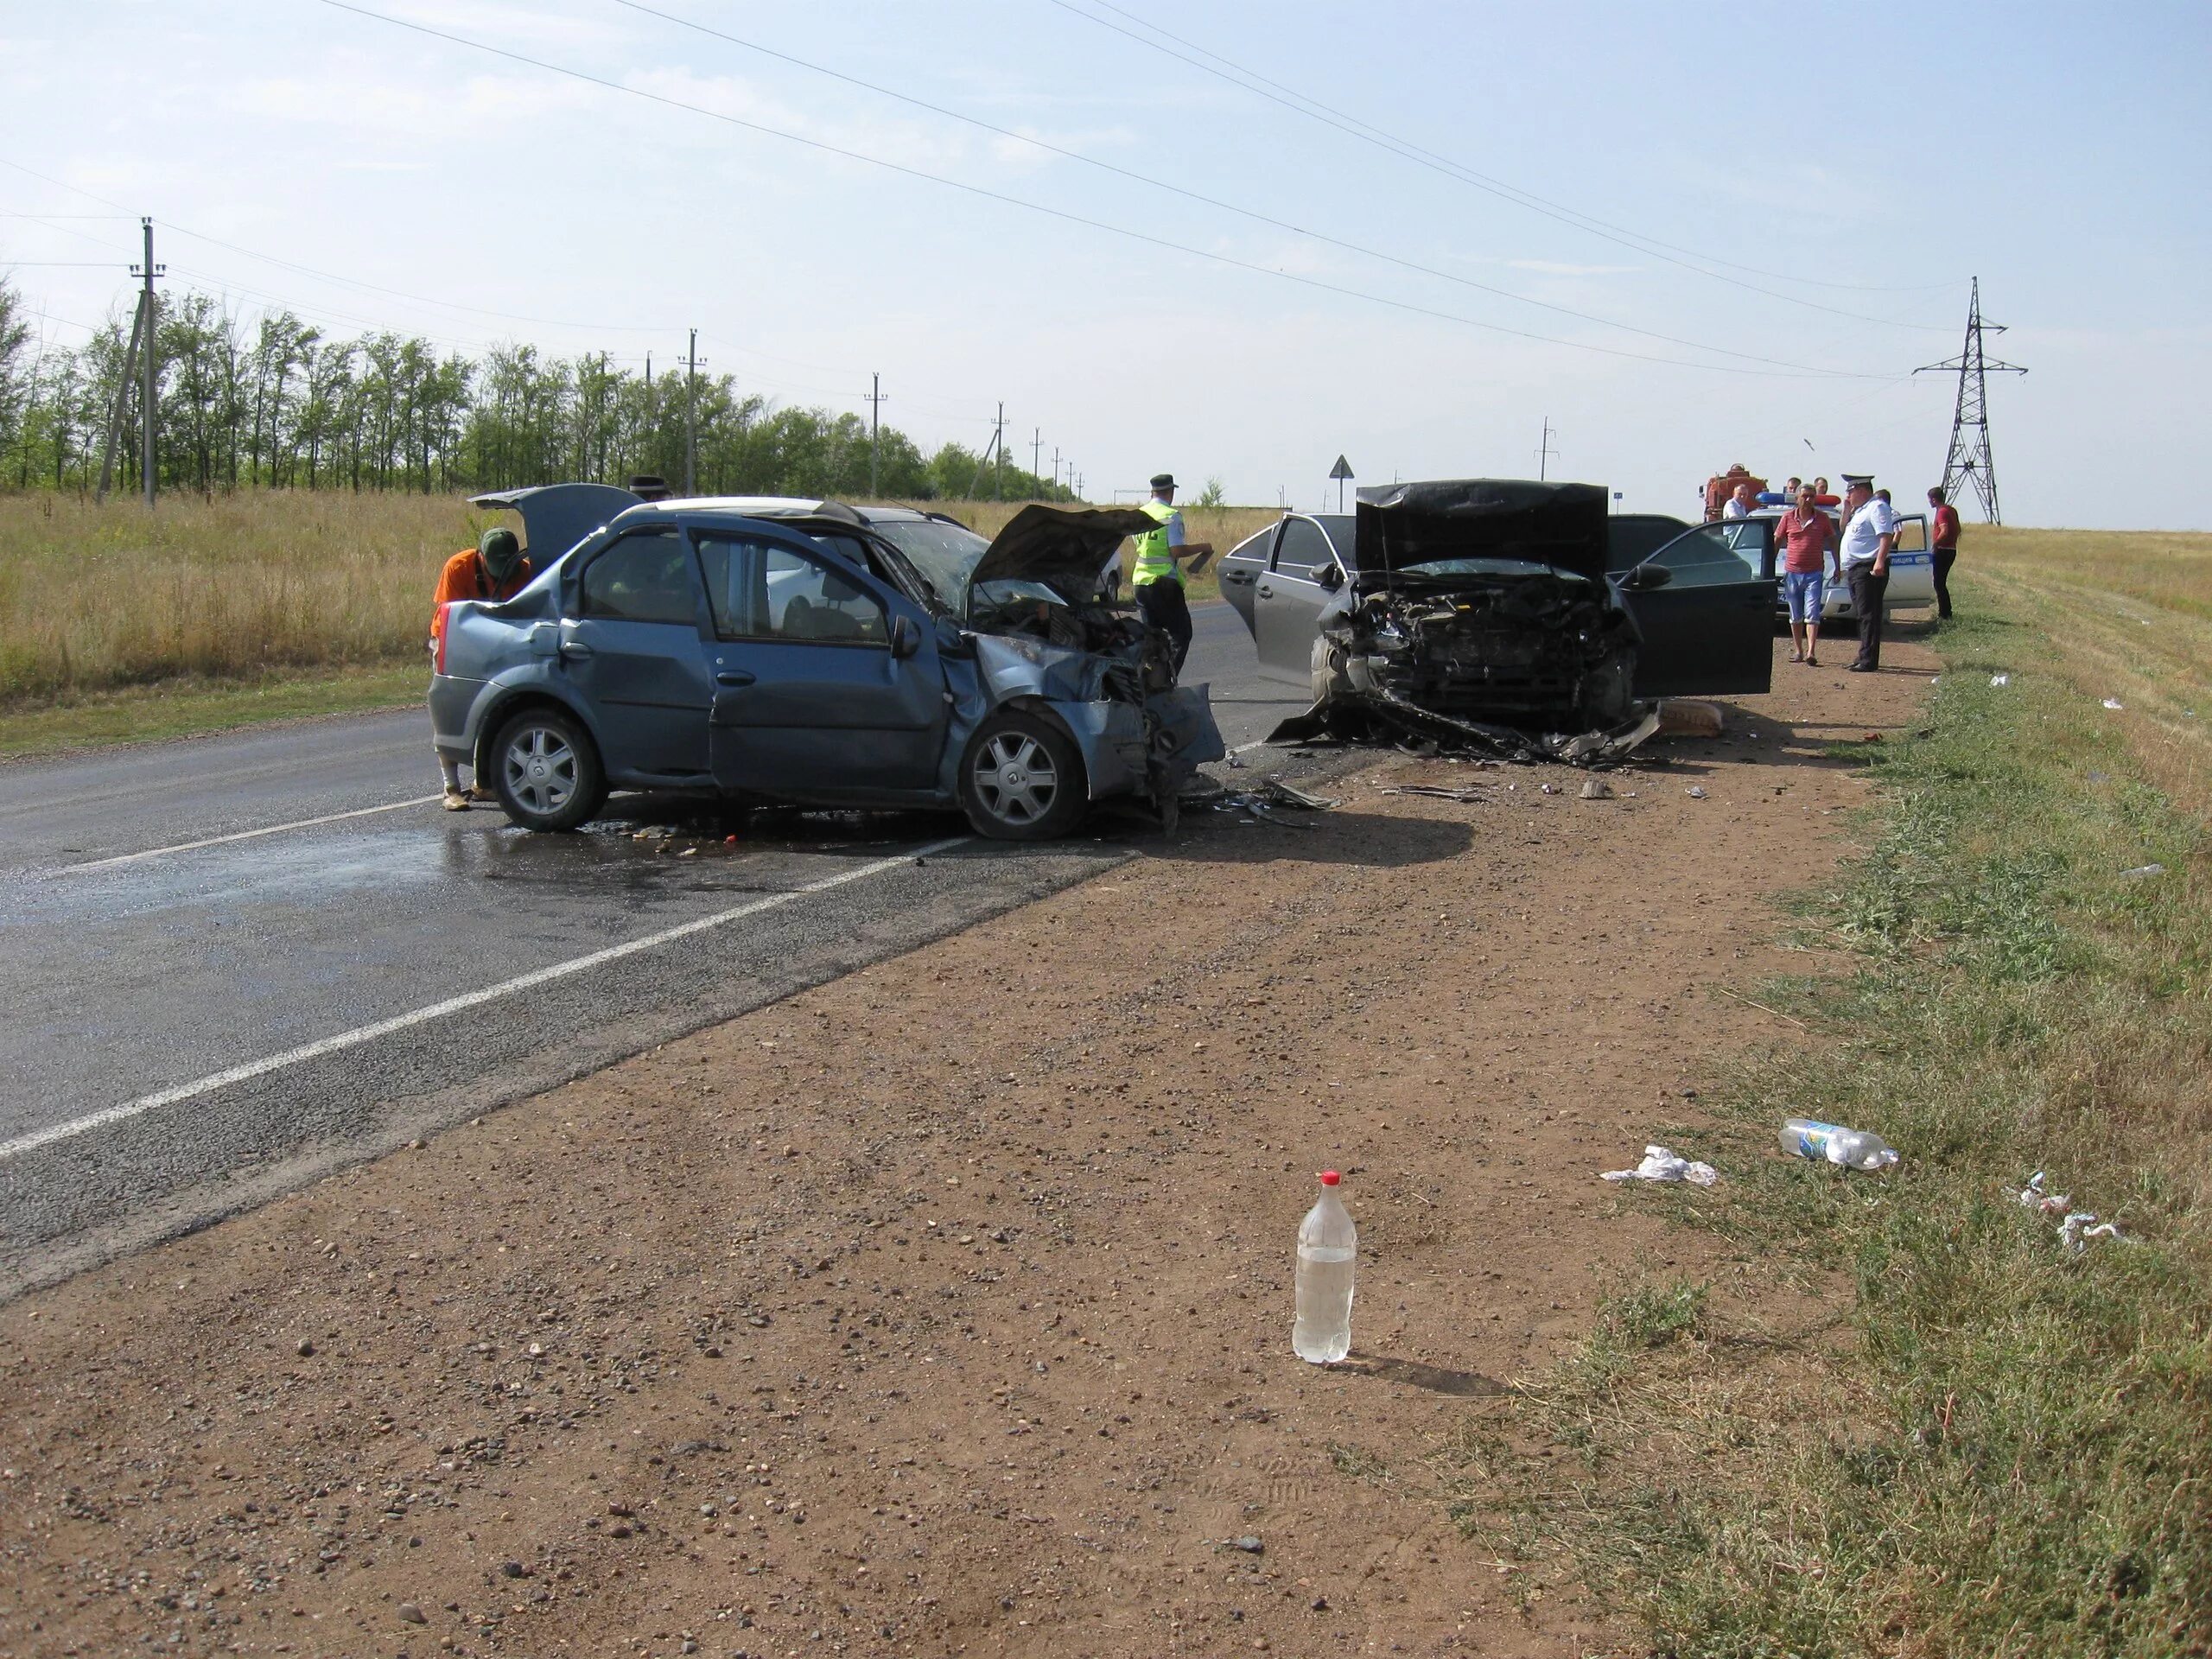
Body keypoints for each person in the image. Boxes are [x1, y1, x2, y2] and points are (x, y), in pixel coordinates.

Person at [429, 526, 534, 809]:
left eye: (507, 566)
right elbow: (451, 617)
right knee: (452, 711)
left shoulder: (525, 572)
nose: (501, 574)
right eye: (495, 567)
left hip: (497, 644)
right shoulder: (458, 567)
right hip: (454, 639)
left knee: (491, 711)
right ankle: (451, 788)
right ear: (481, 556)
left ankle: (483, 784)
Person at [1128, 473, 1213, 672]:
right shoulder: (1171, 516)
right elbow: (1176, 551)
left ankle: (1148, 678)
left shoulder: (1140, 515)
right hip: (1164, 584)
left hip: (1140, 582)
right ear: (1171, 491)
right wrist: (1204, 546)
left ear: (1152, 492)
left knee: (1153, 637)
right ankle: (1167, 679)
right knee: (1181, 635)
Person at [1836, 478, 1897, 672]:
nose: (1847, 496)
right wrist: (1846, 509)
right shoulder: (1860, 511)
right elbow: (1843, 529)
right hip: (1856, 569)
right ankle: (1863, 654)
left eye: (1850, 492)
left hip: (1868, 567)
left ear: (1861, 490)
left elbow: (1885, 535)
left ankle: (1868, 660)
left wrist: (1880, 561)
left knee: (1869, 615)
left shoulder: (1877, 507)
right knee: (1862, 615)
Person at [1777, 485, 1837, 665]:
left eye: (1812, 496)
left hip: (1815, 572)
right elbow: (1777, 540)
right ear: (1797, 498)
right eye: (1804, 496)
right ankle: (1798, 650)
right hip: (1792, 573)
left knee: (1812, 613)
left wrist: (1838, 564)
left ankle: (1811, 651)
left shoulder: (1823, 518)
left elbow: (1833, 540)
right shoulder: (1787, 518)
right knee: (1795, 614)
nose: (1808, 500)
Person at [1929, 486, 1961, 619]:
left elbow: (1944, 530)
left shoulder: (1941, 511)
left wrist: (1935, 544)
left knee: (1939, 583)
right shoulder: (1951, 510)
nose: (1930, 502)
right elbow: (1958, 529)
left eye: (1930, 500)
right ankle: (1946, 612)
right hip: (1951, 549)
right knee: (1941, 582)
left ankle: (1945, 613)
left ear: (1934, 499)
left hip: (1942, 550)